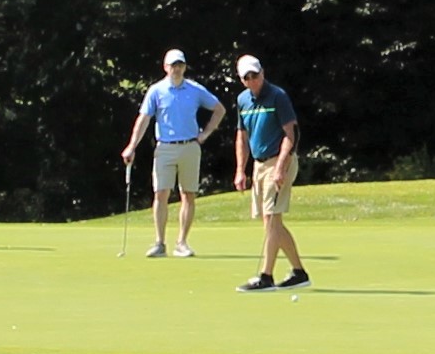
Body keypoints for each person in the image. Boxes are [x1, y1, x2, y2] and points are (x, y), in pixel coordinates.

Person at [120, 49, 226, 258]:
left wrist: (205, 134)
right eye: (173, 65)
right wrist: (132, 146)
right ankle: (159, 243)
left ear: (184, 67)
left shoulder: (194, 90)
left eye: (180, 65)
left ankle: (182, 243)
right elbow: (143, 120)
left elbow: (219, 109)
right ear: (165, 67)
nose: (176, 69)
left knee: (188, 194)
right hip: (165, 148)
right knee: (161, 193)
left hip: (190, 146)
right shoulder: (156, 91)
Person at [232, 54, 308, 291]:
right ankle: (299, 272)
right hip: (259, 164)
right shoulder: (243, 100)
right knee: (270, 221)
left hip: (278, 161)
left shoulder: (277, 96)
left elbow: (290, 134)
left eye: (256, 75)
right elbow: (242, 138)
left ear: (262, 73)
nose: (253, 80)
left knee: (272, 219)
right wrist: (240, 170)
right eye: (248, 77)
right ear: (241, 80)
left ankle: (266, 276)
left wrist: (281, 166)